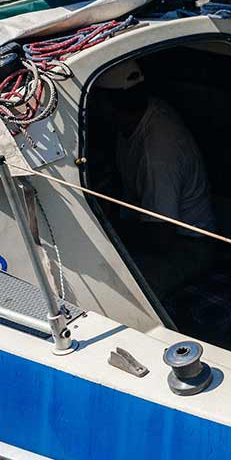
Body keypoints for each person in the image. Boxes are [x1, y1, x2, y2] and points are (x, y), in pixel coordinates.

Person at [97, 59, 216, 297]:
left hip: (188, 245)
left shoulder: (160, 151)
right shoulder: (135, 116)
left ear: (109, 105)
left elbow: (161, 238)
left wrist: (109, 229)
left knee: (116, 288)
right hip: (147, 226)